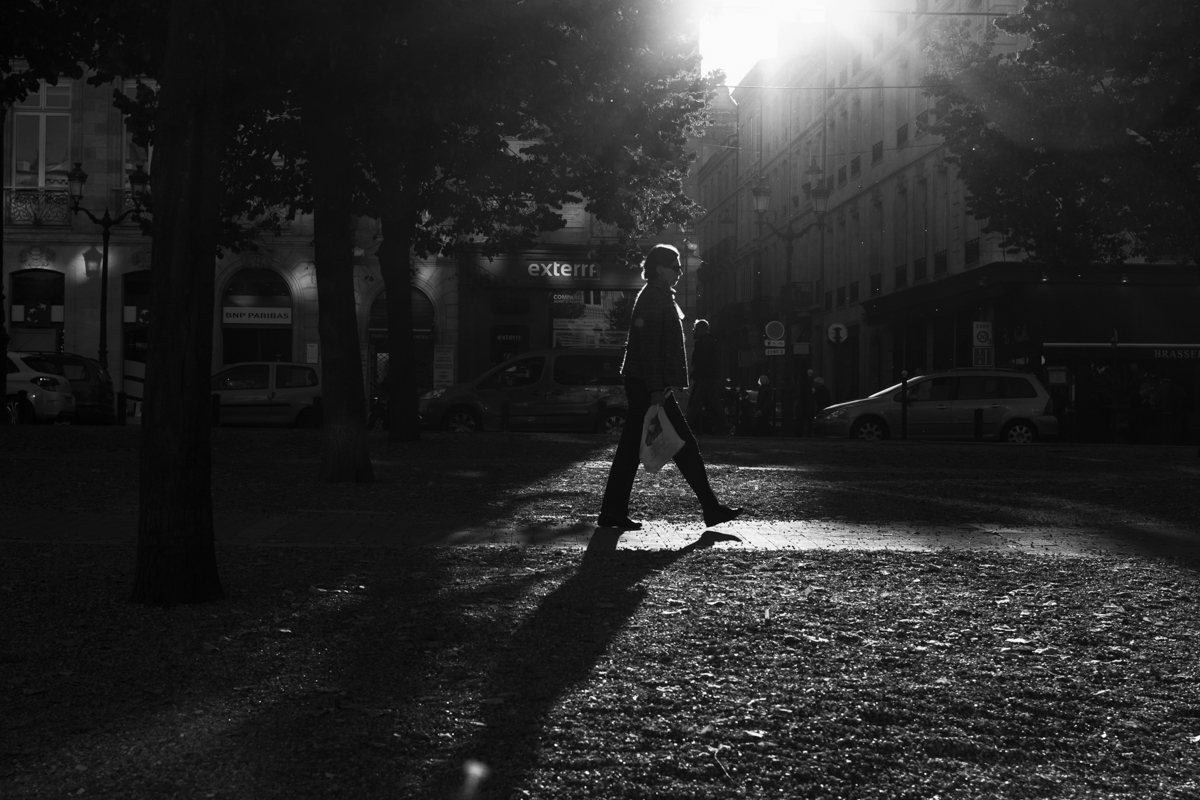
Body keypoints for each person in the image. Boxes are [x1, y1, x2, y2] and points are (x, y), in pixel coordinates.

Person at [597, 244, 743, 531]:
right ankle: (710, 508)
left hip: (647, 383)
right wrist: (656, 389)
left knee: (633, 449)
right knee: (683, 445)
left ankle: (613, 511)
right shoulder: (654, 297)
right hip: (648, 385)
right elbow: (651, 348)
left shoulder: (657, 295)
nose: (679, 271)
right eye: (675, 266)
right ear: (660, 268)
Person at [685, 319, 729, 435]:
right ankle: (725, 425)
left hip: (705, 376)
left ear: (701, 329)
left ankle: (686, 426)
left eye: (696, 329)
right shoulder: (709, 341)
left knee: (701, 402)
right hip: (707, 376)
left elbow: (701, 361)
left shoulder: (705, 342)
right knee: (704, 402)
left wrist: (694, 374)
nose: (695, 332)